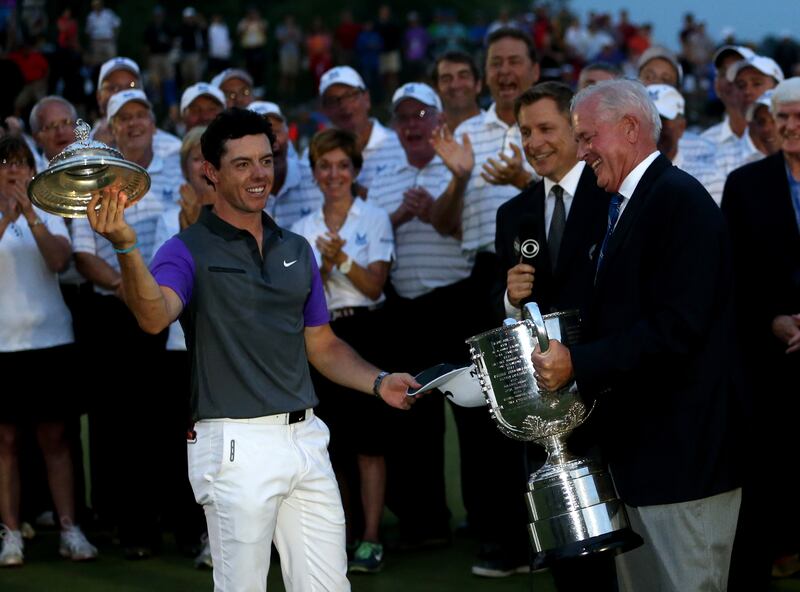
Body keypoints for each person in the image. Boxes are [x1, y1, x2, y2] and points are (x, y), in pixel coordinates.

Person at [84, 108, 419, 591]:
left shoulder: (297, 248)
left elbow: (322, 344)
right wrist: (125, 247)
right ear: (211, 172)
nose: (259, 174)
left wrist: (378, 381)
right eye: (242, 164)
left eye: (265, 160)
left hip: (306, 439)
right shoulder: (184, 249)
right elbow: (154, 316)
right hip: (233, 447)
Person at [532, 79, 743, 592]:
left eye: (588, 137)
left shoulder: (679, 202)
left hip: (684, 460)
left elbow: (678, 329)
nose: (582, 152)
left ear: (630, 128)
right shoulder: (628, 203)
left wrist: (579, 362)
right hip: (640, 459)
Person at [493, 82, 613, 585]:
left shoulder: (610, 194)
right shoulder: (513, 213)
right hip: (547, 404)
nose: (534, 142)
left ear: (575, 127)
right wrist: (509, 297)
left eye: (546, 128)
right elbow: (497, 307)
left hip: (610, 390)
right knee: (569, 552)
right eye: (525, 132)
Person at [72, 90, 182, 558]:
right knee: (121, 424)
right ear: (111, 128)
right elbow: (83, 253)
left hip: (170, 312)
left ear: (153, 124)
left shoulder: (176, 170)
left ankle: (176, 519)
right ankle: (132, 525)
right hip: (116, 316)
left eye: (141, 115)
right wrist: (127, 287)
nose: (134, 124)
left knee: (166, 420)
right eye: (124, 118)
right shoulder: (94, 174)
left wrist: (150, 295)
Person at [368, 82, 474, 556]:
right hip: (404, 308)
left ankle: (484, 519)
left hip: (455, 301)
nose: (413, 124)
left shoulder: (458, 164)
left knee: (473, 418)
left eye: (421, 114)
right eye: (404, 117)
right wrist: (396, 216)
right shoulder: (382, 173)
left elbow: (469, 230)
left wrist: (434, 212)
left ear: (439, 119)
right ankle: (425, 521)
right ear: (394, 125)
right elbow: (370, 237)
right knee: (414, 421)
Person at [291, 128, 394, 574]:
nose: (334, 174)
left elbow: (374, 285)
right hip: (322, 336)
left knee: (370, 444)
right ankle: (342, 536)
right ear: (314, 172)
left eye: (342, 166)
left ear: (354, 170)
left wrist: (342, 262)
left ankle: (371, 538)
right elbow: (298, 296)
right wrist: (324, 267)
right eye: (325, 166)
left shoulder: (374, 217)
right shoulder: (301, 229)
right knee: (331, 445)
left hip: (367, 330)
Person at [0, 137, 97, 567]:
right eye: (5, 163)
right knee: (5, 441)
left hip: (50, 340)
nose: (13, 170)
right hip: (3, 345)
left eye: (21, 162)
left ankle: (69, 528)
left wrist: (30, 216)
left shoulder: (48, 209)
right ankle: (10, 533)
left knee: (55, 438)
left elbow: (60, 261)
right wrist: (7, 217)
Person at [721, 77, 800, 591]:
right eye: (782, 117)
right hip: (767, 364)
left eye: (798, 118)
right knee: (761, 490)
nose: (789, 127)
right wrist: (773, 318)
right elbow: (732, 275)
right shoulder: (745, 184)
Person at [152, 125, 214, 568]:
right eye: (195, 158)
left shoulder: (240, 212)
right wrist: (187, 222)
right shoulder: (165, 216)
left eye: (208, 156)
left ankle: (223, 534)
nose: (203, 166)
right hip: (181, 346)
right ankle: (193, 531)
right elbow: (173, 282)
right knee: (191, 443)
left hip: (226, 347)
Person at [318, 66, 404, 193]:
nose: (343, 105)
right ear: (324, 110)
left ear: (367, 99)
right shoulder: (315, 155)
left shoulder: (400, 145)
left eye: (350, 95)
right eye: (333, 100)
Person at [646, 84, 725, 204]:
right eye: (645, 120)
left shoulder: (708, 179)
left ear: (681, 127)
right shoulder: (621, 178)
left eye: (661, 120)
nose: (652, 129)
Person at [92, 57, 181, 162]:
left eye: (131, 85)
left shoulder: (174, 150)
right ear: (99, 97)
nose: (123, 93)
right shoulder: (81, 149)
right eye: (113, 88)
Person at [431, 51, 482, 132]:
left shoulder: (499, 127)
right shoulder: (427, 131)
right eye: (446, 79)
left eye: (463, 76)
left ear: (478, 85)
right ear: (436, 90)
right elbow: (421, 113)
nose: (455, 85)